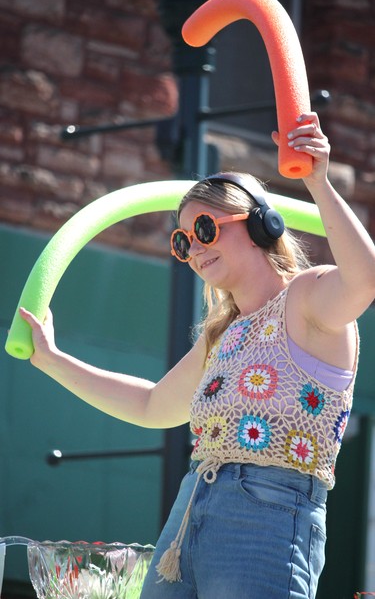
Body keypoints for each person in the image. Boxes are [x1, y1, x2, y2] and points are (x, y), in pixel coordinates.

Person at [19, 112, 375, 598]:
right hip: (188, 520)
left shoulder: (308, 297)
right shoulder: (221, 334)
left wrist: (318, 182)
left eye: (205, 228)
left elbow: (365, 280)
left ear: (259, 223)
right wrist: (52, 360)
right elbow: (151, 405)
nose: (194, 248)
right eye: (182, 241)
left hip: (268, 522)